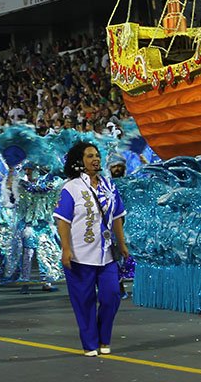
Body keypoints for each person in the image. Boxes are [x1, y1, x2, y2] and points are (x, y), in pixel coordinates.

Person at [54, 142, 129, 357]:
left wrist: (122, 245)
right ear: (79, 161)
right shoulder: (71, 188)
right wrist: (65, 249)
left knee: (111, 295)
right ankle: (90, 343)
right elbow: (63, 221)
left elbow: (117, 217)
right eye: (89, 156)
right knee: (84, 301)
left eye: (97, 155)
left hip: (106, 254)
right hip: (79, 254)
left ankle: (104, 336)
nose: (95, 159)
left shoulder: (110, 186)